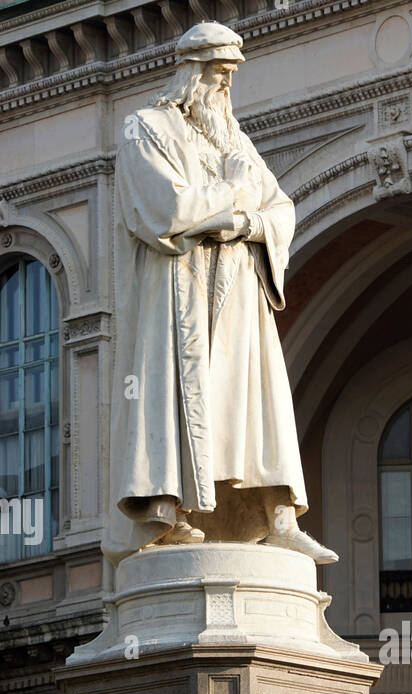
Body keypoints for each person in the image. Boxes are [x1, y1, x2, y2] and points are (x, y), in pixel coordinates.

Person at [105, 22, 337, 567]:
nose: (225, 86)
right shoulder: (146, 129)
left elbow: (281, 209)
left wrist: (247, 224)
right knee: (175, 397)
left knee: (252, 402)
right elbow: (166, 210)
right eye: (217, 73)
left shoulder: (238, 141)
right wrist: (233, 193)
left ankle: (278, 516)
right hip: (176, 298)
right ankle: (171, 512)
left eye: (231, 75)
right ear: (190, 72)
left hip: (238, 297)